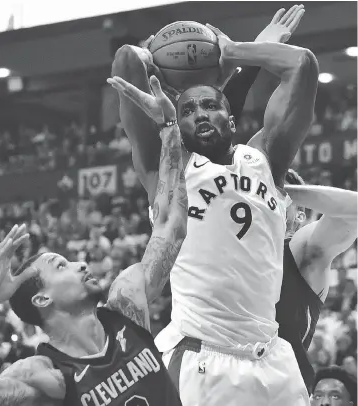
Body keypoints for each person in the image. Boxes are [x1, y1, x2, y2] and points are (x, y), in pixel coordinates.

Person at [108, 6, 319, 405]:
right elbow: (126, 61)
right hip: (202, 356)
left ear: (232, 118)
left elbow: (303, 67)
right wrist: (155, 54)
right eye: (187, 110)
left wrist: (235, 52)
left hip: (273, 358)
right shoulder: (168, 168)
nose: (199, 114)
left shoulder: (265, 159)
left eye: (209, 105)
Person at [0, 83, 188, 406]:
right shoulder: (44, 375)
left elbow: (171, 225)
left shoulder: (126, 304)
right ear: (42, 298)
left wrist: (169, 130)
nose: (80, 263)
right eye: (61, 265)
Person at [276, 169, 358, 394]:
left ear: (299, 217)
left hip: (280, 389)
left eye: (282, 201)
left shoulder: (299, 249)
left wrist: (276, 190)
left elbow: (355, 209)